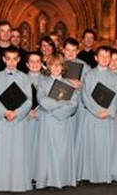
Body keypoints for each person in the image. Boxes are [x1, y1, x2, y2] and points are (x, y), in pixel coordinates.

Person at [0, 48, 32, 192]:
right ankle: (0, 184)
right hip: (2, 120)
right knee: (2, 151)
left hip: (18, 121)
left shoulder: (25, 78)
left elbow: (29, 100)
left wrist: (17, 113)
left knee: (18, 152)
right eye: (8, 58)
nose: (11, 62)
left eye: (15, 58)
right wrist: (4, 112)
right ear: (3, 60)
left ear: (19, 60)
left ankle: (17, 184)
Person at [77, 46, 117, 183]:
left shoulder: (114, 77)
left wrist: (109, 111)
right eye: (101, 56)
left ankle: (108, 174)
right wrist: (97, 111)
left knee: (108, 146)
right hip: (92, 116)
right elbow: (86, 95)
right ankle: (91, 174)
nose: (104, 59)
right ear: (96, 58)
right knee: (92, 146)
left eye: (107, 57)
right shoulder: (89, 75)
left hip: (108, 117)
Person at [35, 54, 79, 189]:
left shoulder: (69, 84)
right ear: (48, 66)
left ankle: (62, 179)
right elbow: (42, 100)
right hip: (47, 122)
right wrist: (60, 103)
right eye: (53, 65)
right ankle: (48, 180)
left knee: (62, 151)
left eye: (59, 65)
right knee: (48, 151)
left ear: (63, 67)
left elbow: (73, 104)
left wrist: (57, 111)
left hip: (62, 121)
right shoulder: (42, 83)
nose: (55, 68)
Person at [25, 52, 44, 182]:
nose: (35, 64)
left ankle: (39, 175)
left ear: (42, 64)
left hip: (42, 118)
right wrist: (27, 111)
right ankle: (28, 174)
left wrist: (39, 112)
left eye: (38, 61)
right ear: (27, 64)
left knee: (40, 147)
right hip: (25, 118)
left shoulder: (47, 80)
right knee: (27, 146)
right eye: (32, 61)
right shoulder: (21, 78)